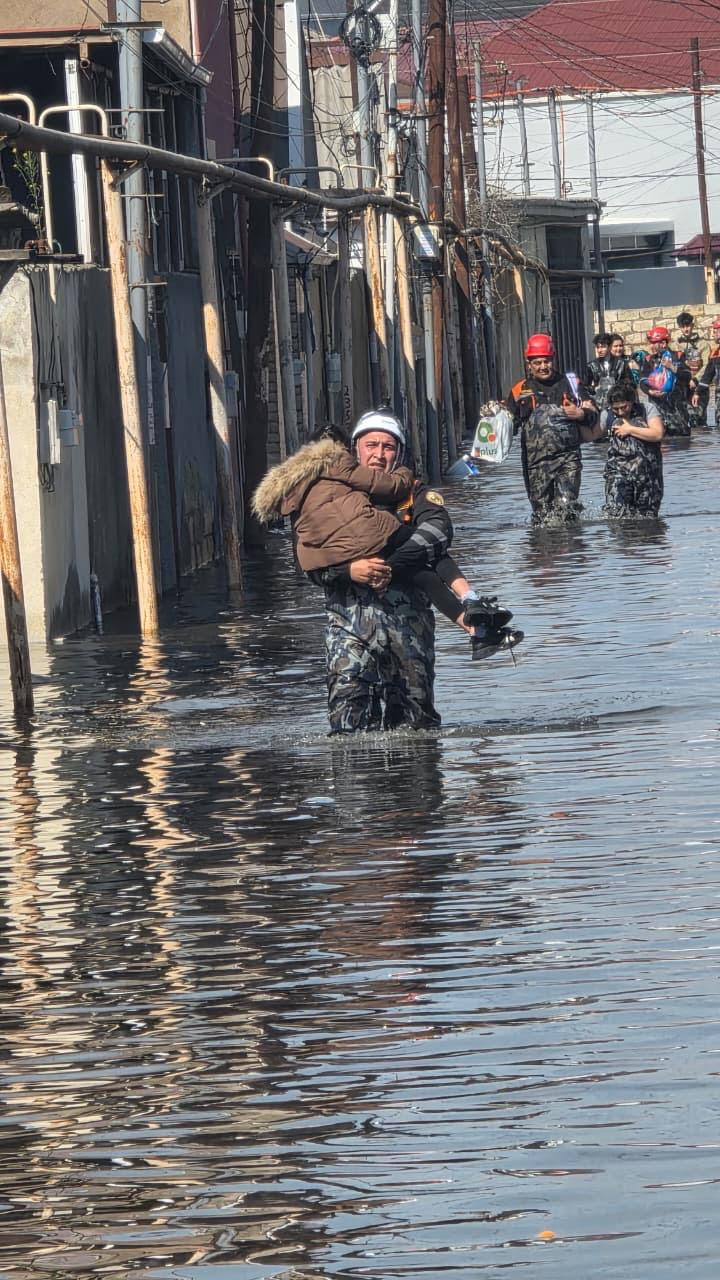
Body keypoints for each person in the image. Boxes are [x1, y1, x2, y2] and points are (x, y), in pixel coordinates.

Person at [252, 413, 521, 659]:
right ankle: (472, 613)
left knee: (415, 710)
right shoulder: (330, 492)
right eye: (371, 446)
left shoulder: (415, 492)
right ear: (353, 450)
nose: (379, 454)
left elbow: (437, 533)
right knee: (349, 708)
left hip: (409, 636)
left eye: (388, 447)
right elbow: (309, 563)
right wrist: (349, 571)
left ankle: (474, 617)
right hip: (350, 636)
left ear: (399, 452)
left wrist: (388, 568)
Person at [506, 333, 599, 523]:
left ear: (553, 359)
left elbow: (595, 412)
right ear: (529, 364)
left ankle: (571, 547)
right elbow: (508, 425)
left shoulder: (572, 383)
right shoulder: (519, 390)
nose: (543, 367)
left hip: (568, 458)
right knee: (542, 516)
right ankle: (544, 550)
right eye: (537, 362)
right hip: (535, 464)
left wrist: (581, 414)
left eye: (546, 361)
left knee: (566, 508)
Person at [603, 382, 665, 518]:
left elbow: (657, 434)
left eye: (624, 407)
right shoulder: (606, 415)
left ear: (631, 401)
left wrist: (630, 429)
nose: (620, 412)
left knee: (647, 520)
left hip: (649, 477)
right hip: (619, 475)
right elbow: (590, 434)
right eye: (615, 409)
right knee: (617, 517)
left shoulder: (647, 409)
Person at [636, 326, 691, 437]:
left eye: (654, 343)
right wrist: (650, 391)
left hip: (677, 410)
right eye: (650, 343)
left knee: (682, 441)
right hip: (657, 410)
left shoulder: (678, 356)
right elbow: (642, 381)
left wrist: (672, 367)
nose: (651, 346)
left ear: (664, 343)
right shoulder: (649, 360)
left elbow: (687, 376)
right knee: (660, 440)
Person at [585, 332, 632, 412]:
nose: (600, 350)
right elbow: (586, 386)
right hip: (599, 405)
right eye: (598, 347)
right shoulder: (591, 365)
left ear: (609, 347)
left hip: (618, 404)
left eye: (603, 347)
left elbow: (629, 383)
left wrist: (618, 387)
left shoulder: (621, 363)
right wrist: (594, 389)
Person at [692, 315, 720, 424]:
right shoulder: (715, 353)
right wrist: (697, 393)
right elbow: (707, 377)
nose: (714, 334)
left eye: (716, 331)